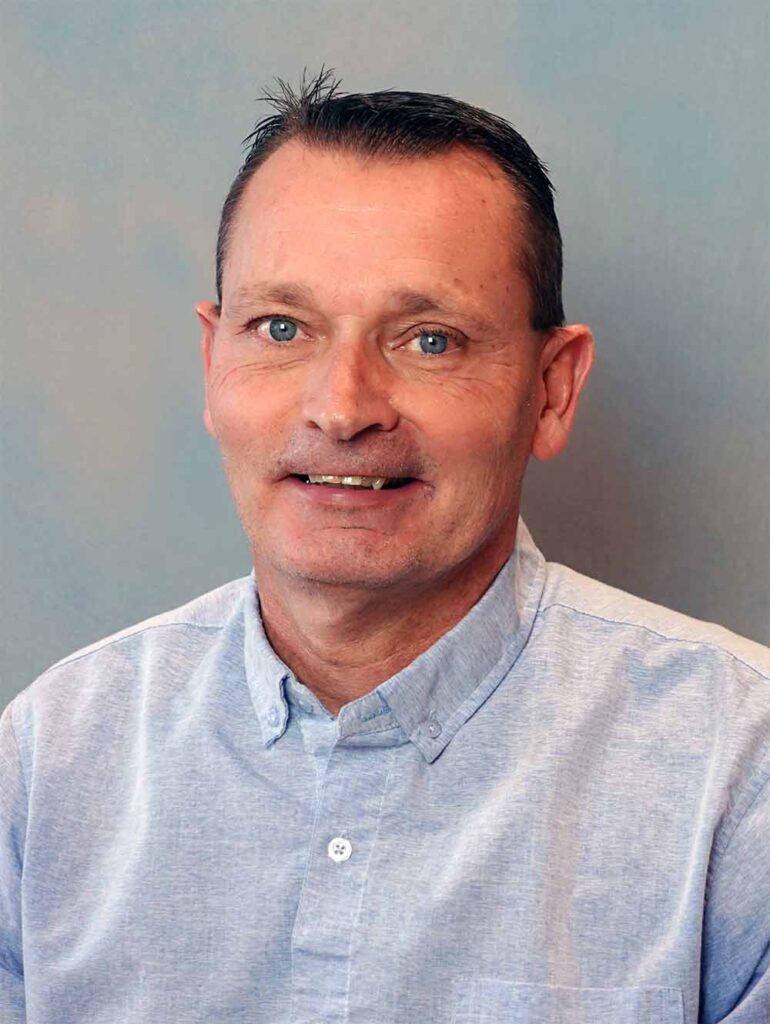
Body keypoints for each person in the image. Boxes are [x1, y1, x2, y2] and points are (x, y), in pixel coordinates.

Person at [1, 68, 768, 1024]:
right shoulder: (50, 759)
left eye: (429, 340)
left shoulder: (740, 771)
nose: (342, 408)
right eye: (281, 327)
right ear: (213, 361)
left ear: (553, 389)